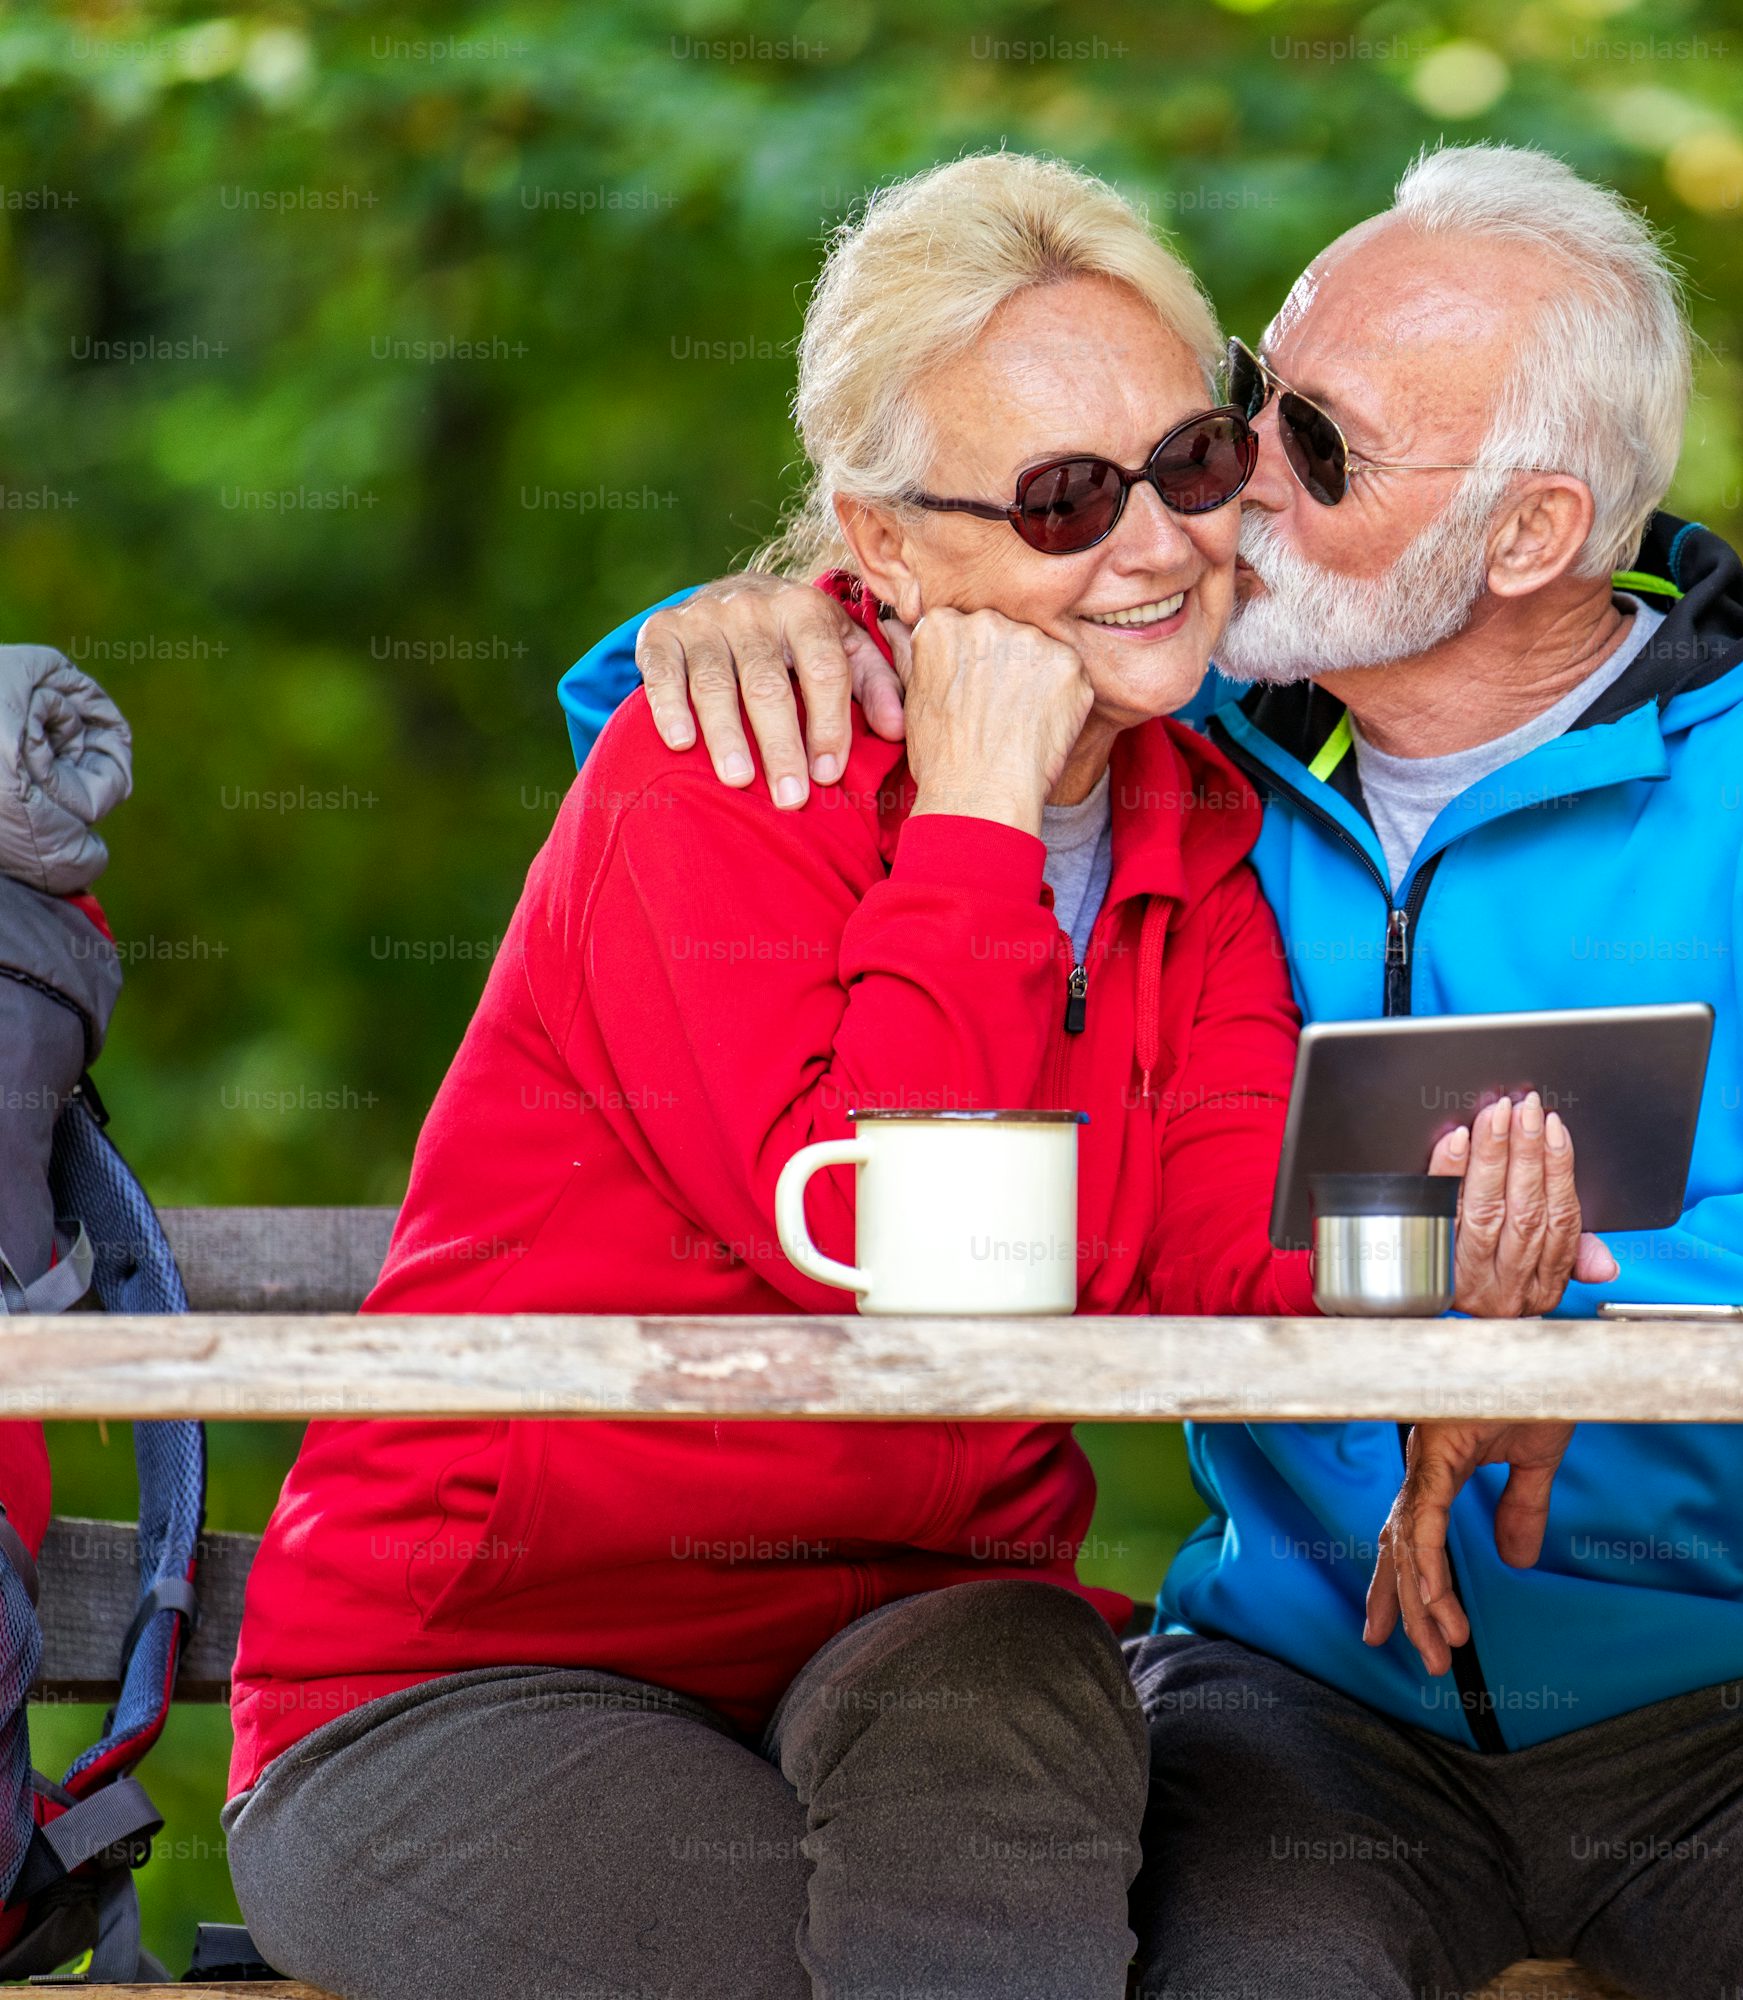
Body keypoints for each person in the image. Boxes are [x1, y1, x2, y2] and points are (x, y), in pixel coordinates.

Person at [564, 145, 1743, 2000]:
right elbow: (708, 753)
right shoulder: (1184, 738)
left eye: (1319, 448)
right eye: (1241, 407)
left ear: (1528, 536)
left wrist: (1577, 1324)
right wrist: (759, 617)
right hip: (1304, 1698)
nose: (1223, 495)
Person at [225, 150, 1594, 2000]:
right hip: (477, 1670)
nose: (1156, 545)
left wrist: (1457, 1254)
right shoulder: (713, 778)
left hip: (917, 1626)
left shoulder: (1201, 821)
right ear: (877, 546)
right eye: (1057, 501)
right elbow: (898, 1265)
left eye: (1192, 465)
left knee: (1035, 1722)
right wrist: (968, 823)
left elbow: (1206, 1243)